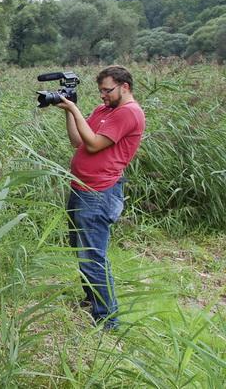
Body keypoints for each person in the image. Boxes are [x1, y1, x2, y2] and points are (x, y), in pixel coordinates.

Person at [53, 65, 145, 331]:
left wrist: (74, 110)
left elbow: (93, 144)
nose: (102, 96)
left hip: (99, 193)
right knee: (83, 253)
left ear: (124, 87)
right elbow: (77, 140)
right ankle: (92, 302)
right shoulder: (104, 110)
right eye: (100, 91)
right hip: (82, 189)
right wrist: (70, 111)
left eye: (107, 90)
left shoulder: (129, 113)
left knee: (93, 257)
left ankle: (108, 321)